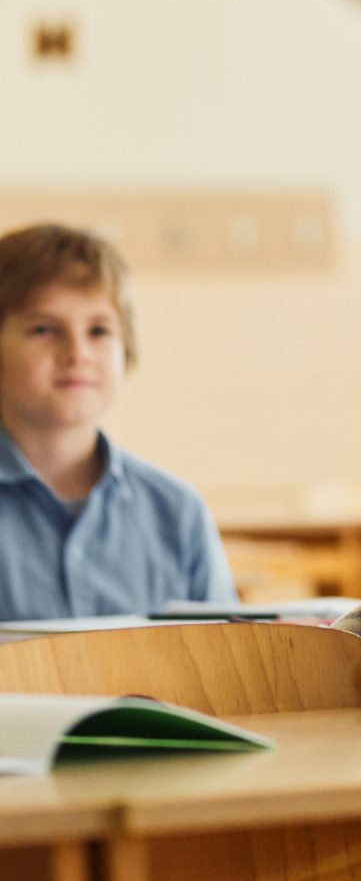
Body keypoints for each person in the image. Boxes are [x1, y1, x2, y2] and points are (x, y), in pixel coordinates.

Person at [0, 223, 235, 621]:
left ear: (126, 347)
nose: (77, 353)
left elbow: (228, 668)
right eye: (44, 329)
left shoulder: (177, 512)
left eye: (99, 330)